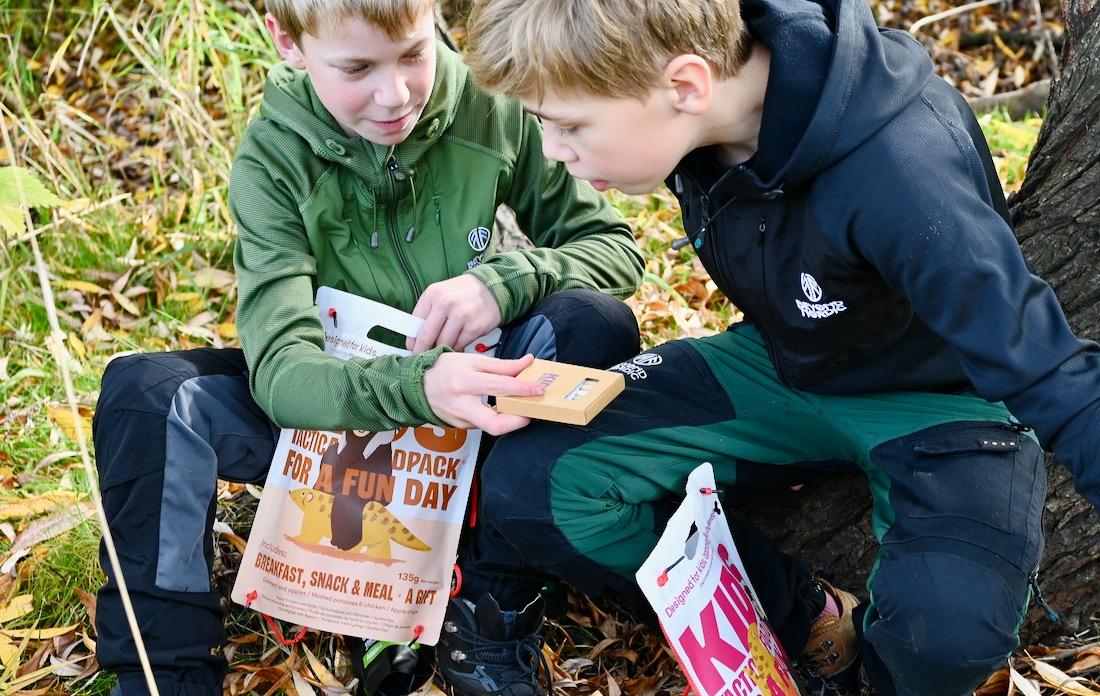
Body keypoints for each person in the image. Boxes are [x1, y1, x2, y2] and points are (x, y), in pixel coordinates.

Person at [456, 0, 1100, 694]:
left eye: (570, 125)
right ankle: (807, 620)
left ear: (686, 86)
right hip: (777, 363)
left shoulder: (901, 172)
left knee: (942, 636)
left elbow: (1048, 365)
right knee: (534, 483)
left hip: (938, 399)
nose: (553, 148)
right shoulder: (700, 98)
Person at [90, 0, 645, 693]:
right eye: (356, 68)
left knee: (593, 323)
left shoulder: (491, 105)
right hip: (339, 421)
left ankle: (487, 619)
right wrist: (419, 385)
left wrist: (503, 283)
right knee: (146, 396)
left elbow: (614, 248)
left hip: (483, 413)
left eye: (414, 53)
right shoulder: (274, 156)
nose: (396, 95)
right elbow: (285, 372)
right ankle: (163, 677)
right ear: (288, 42)